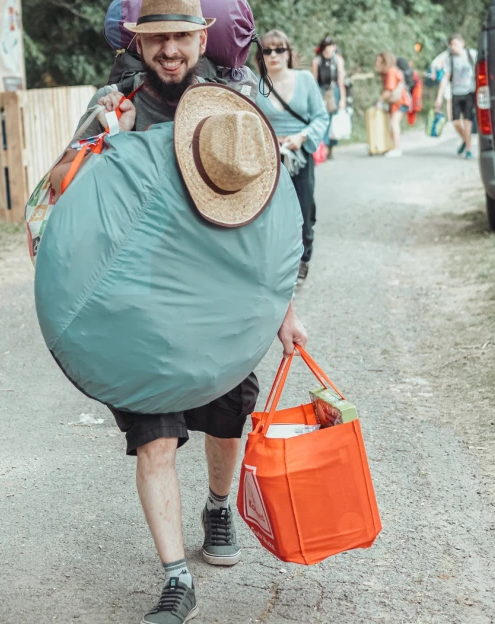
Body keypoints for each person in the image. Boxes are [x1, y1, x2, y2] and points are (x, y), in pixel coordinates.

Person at [48, 2, 308, 622]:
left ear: (200, 39)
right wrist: (106, 140)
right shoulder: (115, 99)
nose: (169, 50)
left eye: (181, 38)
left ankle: (217, 507)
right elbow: (58, 184)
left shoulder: (230, 103)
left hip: (219, 303)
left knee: (226, 420)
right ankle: (175, 579)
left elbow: (263, 218)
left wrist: (283, 311)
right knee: (154, 441)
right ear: (138, 42)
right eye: (157, 38)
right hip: (138, 309)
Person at [258, 30, 329, 283]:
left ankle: (303, 259)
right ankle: (278, 263)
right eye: (267, 50)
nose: (274, 55)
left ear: (289, 53)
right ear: (261, 55)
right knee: (271, 213)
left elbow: (321, 116)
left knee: (304, 208)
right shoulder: (256, 85)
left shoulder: (305, 79)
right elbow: (251, 123)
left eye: (279, 49)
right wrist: (270, 139)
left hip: (300, 155)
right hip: (269, 159)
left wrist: (302, 137)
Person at [435, 33, 478, 160]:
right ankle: (466, 140)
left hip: (469, 92)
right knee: (455, 121)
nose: (453, 47)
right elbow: (445, 77)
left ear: (462, 44)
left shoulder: (471, 55)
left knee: (467, 121)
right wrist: (439, 96)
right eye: (451, 45)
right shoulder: (450, 59)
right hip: (456, 92)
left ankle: (468, 149)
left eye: (455, 44)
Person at [311, 35, 346, 158]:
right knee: (322, 118)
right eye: (326, 46)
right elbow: (314, 79)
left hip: (333, 90)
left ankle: (330, 147)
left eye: (330, 46)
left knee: (333, 119)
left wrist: (342, 99)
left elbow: (341, 81)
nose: (328, 48)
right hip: (321, 90)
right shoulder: (317, 61)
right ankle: (323, 147)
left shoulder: (337, 60)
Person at [375, 52, 410, 158]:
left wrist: (379, 101)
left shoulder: (391, 72)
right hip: (395, 101)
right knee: (391, 123)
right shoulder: (387, 72)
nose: (377, 63)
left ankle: (397, 148)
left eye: (379, 61)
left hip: (400, 101)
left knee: (394, 123)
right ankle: (392, 146)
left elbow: (389, 90)